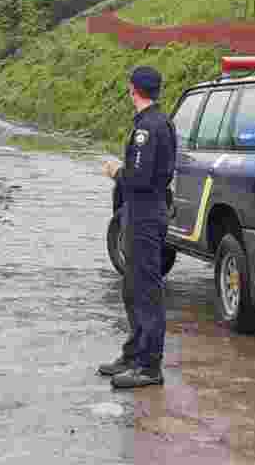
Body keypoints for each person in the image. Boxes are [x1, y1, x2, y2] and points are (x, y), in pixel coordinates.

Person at [99, 66, 176, 389]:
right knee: (132, 286)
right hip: (142, 211)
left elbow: (141, 179)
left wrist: (117, 171)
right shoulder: (161, 122)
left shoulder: (149, 128)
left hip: (146, 212)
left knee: (146, 290)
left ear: (133, 90)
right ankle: (134, 353)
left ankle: (149, 366)